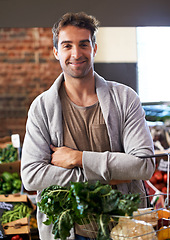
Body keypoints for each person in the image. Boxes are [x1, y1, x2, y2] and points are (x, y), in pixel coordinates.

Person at [21, 12, 155, 240]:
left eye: (83, 44)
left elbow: (143, 165)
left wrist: (79, 158)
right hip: (68, 231)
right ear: (56, 52)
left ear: (94, 48)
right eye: (67, 46)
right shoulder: (41, 107)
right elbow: (32, 176)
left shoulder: (125, 98)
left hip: (126, 227)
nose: (76, 54)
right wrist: (107, 175)